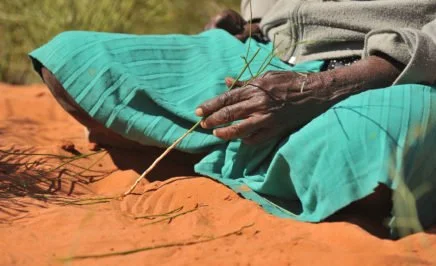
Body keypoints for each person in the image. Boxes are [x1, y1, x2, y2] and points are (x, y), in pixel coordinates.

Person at [30, 0, 436, 238]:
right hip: (260, 58)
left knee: (375, 148)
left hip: (384, 75)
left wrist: (321, 89)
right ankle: (272, 157)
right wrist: (255, 22)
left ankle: (234, 150)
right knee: (70, 60)